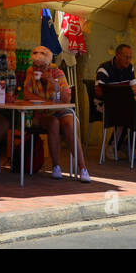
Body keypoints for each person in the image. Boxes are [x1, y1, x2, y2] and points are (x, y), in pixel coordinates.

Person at [23, 45, 91, 182]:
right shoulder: (30, 72)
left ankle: (83, 168)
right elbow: (26, 93)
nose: (38, 69)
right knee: (53, 123)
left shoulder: (57, 73)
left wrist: (53, 83)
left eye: (41, 66)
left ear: (48, 65)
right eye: (36, 66)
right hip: (43, 114)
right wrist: (45, 101)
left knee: (69, 125)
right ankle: (56, 167)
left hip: (61, 110)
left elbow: (67, 99)